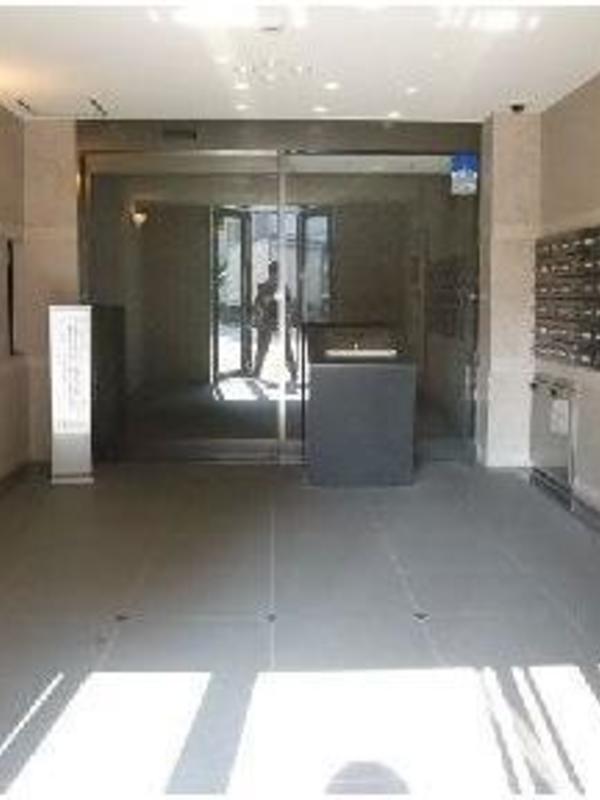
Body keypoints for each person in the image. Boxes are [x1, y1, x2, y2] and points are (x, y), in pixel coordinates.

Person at [252, 260, 298, 385]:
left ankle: (257, 372)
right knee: (266, 348)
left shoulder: (269, 287)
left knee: (267, 349)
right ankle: (293, 373)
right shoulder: (270, 287)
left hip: (272, 321)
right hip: (271, 321)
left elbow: (289, 304)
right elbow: (258, 305)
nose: (276, 276)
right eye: (276, 273)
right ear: (274, 273)